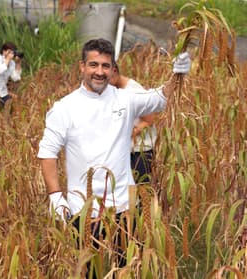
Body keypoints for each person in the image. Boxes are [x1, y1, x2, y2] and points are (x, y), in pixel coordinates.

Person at [37, 38, 190, 272]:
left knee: (125, 267)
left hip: (123, 206)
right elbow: (47, 152)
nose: (100, 72)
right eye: (94, 65)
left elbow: (159, 98)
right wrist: (56, 196)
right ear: (82, 67)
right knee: (89, 270)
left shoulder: (125, 99)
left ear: (112, 69)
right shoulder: (65, 108)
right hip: (84, 208)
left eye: (105, 66)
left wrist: (177, 73)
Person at [110, 64, 157, 184]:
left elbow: (149, 120)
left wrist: (128, 133)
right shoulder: (113, 90)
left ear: (114, 71)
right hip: (124, 151)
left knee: (141, 194)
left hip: (140, 153)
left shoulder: (134, 91)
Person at [0, 42, 22, 108]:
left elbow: (16, 78)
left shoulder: (12, 63)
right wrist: (8, 59)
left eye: (13, 52)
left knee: (9, 109)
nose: (11, 54)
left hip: (3, 93)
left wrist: (18, 63)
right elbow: (0, 71)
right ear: (3, 51)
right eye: (9, 51)